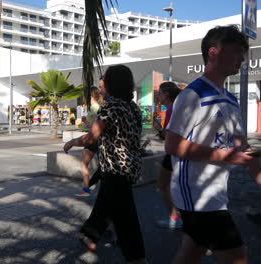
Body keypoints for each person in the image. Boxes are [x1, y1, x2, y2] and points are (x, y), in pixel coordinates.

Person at [166, 26, 261, 264]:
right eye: (237, 52)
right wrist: (225, 156)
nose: (242, 58)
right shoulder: (191, 95)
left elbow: (241, 148)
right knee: (237, 256)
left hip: (217, 194)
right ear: (213, 52)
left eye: (243, 53)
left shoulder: (230, 99)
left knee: (191, 253)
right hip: (196, 196)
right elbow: (172, 144)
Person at [64, 65, 146, 264]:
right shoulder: (132, 107)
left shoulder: (111, 106)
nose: (102, 86)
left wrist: (73, 142)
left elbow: (92, 136)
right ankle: (90, 236)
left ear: (110, 84)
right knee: (109, 206)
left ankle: (136, 257)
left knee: (126, 218)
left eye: (105, 81)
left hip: (115, 168)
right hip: (129, 166)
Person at [153, 82, 183, 229]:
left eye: (159, 93)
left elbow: (168, 135)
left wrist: (158, 127)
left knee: (162, 184)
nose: (158, 95)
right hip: (178, 152)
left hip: (174, 153)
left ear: (166, 95)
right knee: (171, 185)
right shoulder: (175, 107)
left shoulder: (171, 109)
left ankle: (175, 218)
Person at [75, 86, 104, 196]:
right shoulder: (98, 107)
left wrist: (86, 124)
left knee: (83, 164)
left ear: (91, 96)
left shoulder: (94, 108)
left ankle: (86, 189)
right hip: (98, 139)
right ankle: (88, 187)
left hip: (93, 139)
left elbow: (95, 125)